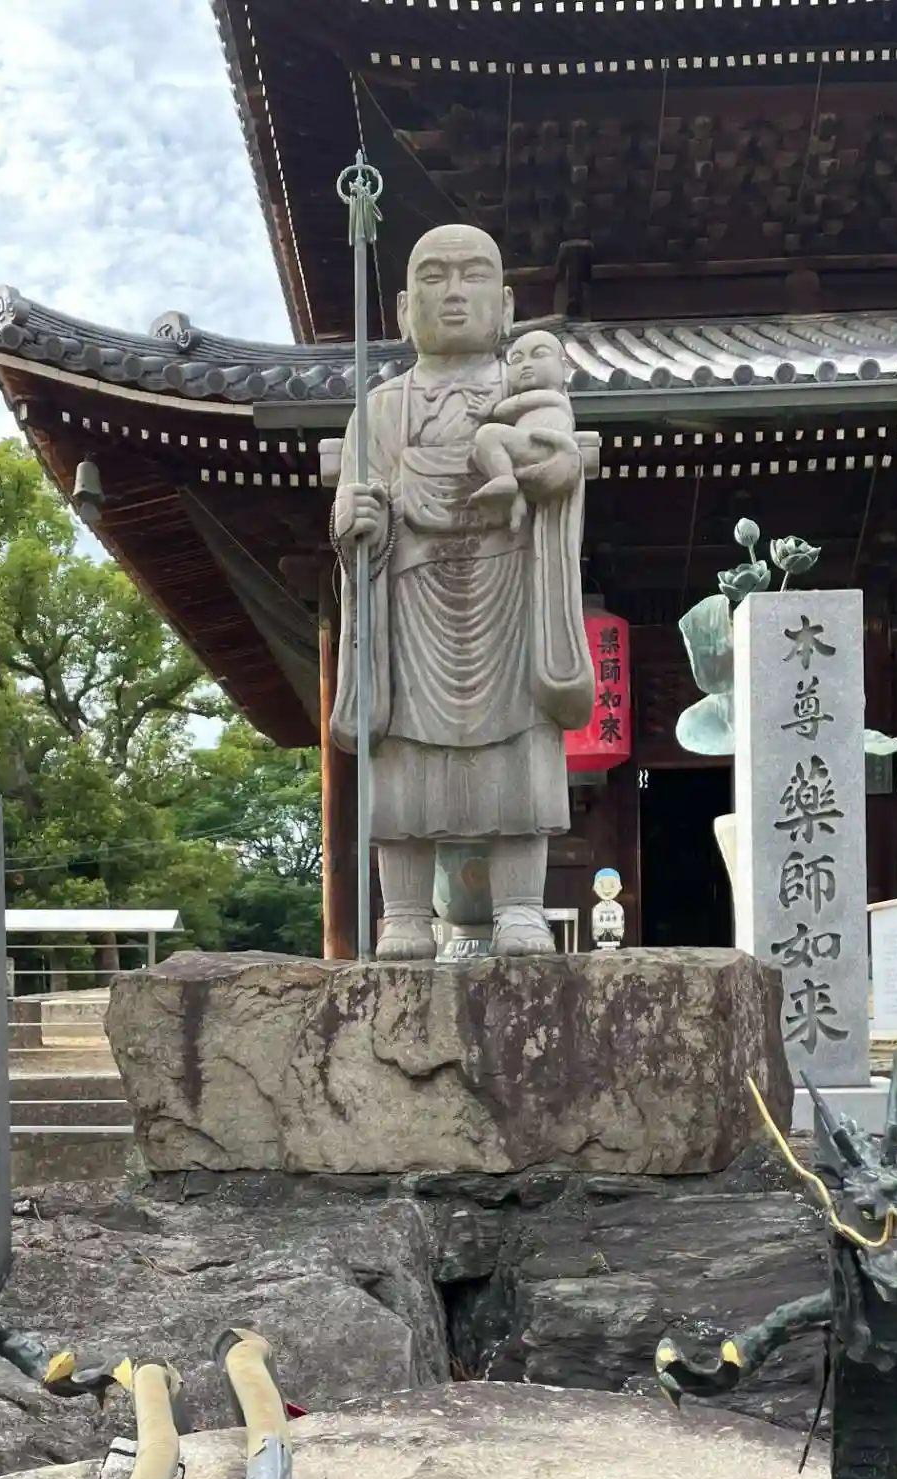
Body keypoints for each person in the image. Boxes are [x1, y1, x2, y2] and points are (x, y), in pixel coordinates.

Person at [330, 225, 593, 960]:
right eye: (434, 277)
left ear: (505, 305)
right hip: (409, 599)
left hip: (510, 588)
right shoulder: (379, 409)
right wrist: (354, 522)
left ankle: (520, 907)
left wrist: (556, 475)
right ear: (401, 309)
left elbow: (558, 465)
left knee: (519, 742)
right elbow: (355, 509)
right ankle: (405, 912)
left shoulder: (528, 392)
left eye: (472, 275)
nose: (453, 293)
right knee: (403, 751)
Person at [470, 330, 575, 534]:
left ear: (564, 368)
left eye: (539, 355)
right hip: (527, 447)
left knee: (487, 434)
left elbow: (505, 410)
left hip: (542, 446)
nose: (526, 364)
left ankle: (506, 479)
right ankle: (515, 496)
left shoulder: (552, 396)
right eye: (517, 359)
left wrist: (491, 408)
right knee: (478, 453)